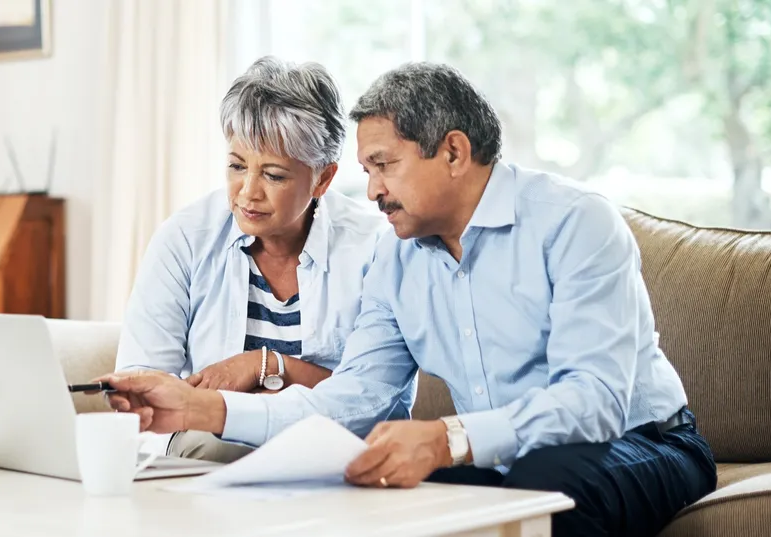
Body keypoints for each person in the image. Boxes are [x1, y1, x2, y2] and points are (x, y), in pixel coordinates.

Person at [101, 62, 717, 537]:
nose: (369, 191)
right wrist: (203, 411)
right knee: (378, 497)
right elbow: (354, 397)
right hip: (511, 455)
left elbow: (596, 402)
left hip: (645, 440)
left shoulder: (575, 222)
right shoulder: (394, 256)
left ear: (452, 151)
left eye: (383, 166)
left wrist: (446, 439)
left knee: (538, 486)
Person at [113, 56, 395, 463]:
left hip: (328, 454)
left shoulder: (373, 249)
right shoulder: (185, 238)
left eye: (274, 175)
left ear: (323, 178)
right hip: (206, 452)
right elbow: (142, 382)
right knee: (214, 446)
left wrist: (265, 365)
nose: (247, 193)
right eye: (236, 166)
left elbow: (376, 401)